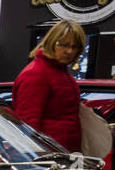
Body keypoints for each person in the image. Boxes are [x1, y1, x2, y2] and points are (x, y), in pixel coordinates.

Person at [13, 20, 86, 153]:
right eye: (64, 45)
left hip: (64, 154)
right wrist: (38, 159)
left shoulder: (60, 71)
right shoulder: (36, 73)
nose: (69, 51)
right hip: (47, 157)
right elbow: (28, 123)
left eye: (74, 47)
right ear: (51, 43)